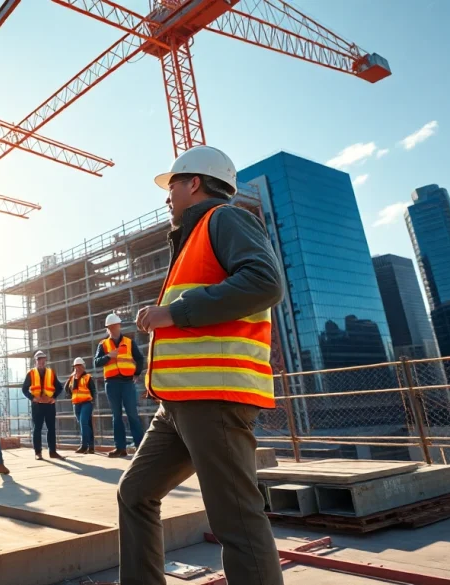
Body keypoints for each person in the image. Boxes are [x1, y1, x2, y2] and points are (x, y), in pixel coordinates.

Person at [118, 145, 285, 584]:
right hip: (177, 403)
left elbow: (265, 283)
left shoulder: (224, 219)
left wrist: (173, 312)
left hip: (213, 398)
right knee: (135, 492)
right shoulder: (191, 238)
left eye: (171, 184)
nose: (166, 195)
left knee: (236, 519)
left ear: (194, 183)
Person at [94, 312, 145, 458]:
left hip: (127, 382)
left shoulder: (129, 342)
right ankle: (120, 448)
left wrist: (137, 373)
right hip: (111, 383)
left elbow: (140, 359)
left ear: (119, 326)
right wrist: (109, 356)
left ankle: (140, 447)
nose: (113, 329)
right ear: (107, 328)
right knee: (116, 416)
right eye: (110, 327)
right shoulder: (103, 345)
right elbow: (96, 362)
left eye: (115, 326)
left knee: (132, 415)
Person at [22, 351, 63, 460]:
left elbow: (59, 387)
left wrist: (53, 397)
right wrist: (32, 398)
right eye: (39, 360)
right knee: (37, 429)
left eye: (42, 359)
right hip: (37, 405)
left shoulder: (51, 372)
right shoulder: (31, 373)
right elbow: (24, 389)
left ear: (45, 360)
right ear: (35, 361)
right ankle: (38, 452)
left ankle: (53, 452)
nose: (41, 362)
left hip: (49, 405)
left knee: (51, 428)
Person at [65, 357, 96, 454]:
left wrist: (92, 401)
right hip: (76, 404)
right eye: (75, 366)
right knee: (85, 425)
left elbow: (93, 391)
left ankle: (84, 446)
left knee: (83, 423)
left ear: (83, 367)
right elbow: (66, 389)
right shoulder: (72, 378)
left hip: (86, 403)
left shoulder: (88, 377)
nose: (77, 368)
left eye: (79, 366)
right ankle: (91, 446)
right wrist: (72, 395)